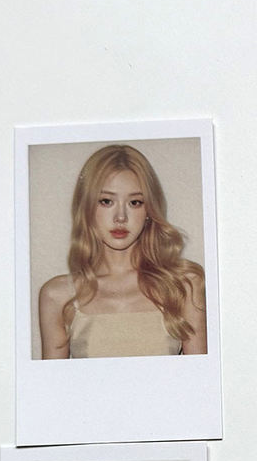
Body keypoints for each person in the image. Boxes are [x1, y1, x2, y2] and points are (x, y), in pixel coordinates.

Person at [39, 144, 206, 358]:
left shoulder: (185, 285)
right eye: (106, 201)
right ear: (86, 207)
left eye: (135, 202)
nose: (121, 217)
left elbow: (202, 377)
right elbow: (52, 380)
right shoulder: (57, 296)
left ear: (149, 210)